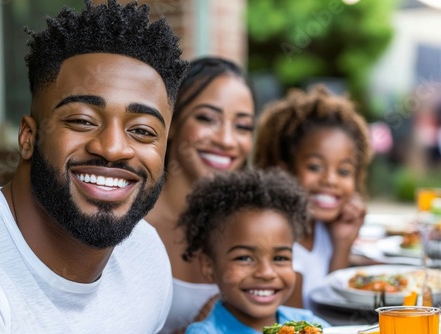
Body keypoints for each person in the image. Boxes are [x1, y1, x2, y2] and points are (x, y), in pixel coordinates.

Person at [0, 1, 187, 332]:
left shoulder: (145, 255)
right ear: (28, 136)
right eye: (82, 120)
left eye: (142, 130)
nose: (113, 148)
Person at [144, 56, 256, 333]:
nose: (227, 140)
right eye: (207, 118)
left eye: (242, 126)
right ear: (169, 122)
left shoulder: (253, 226)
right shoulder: (127, 227)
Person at [252, 86, 372, 310]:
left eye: (344, 171)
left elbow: (336, 301)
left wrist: (343, 242)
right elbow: (301, 325)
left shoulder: (324, 230)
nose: (331, 180)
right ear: (283, 169)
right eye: (315, 167)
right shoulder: (282, 244)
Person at [179, 168, 330, 333]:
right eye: (245, 258)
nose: (266, 273)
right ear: (208, 266)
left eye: (280, 258)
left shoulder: (309, 324)